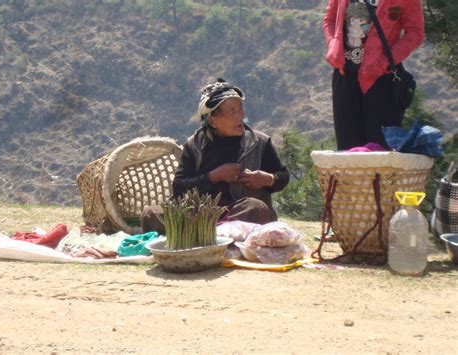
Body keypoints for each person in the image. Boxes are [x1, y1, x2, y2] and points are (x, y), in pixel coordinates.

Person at [140, 78, 290, 234]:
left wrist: (268, 179)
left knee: (255, 207)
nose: (240, 116)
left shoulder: (259, 142)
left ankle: (203, 236)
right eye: (233, 111)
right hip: (199, 215)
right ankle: (207, 235)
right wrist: (214, 176)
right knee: (152, 214)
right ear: (213, 121)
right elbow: (179, 187)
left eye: (240, 109)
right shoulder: (194, 145)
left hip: (236, 215)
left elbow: (283, 176)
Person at [323, 0, 424, 150]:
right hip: (345, 75)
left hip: (382, 78)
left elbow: (415, 32)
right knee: (348, 149)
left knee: (379, 149)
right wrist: (333, 47)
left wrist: (385, 62)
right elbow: (329, 20)